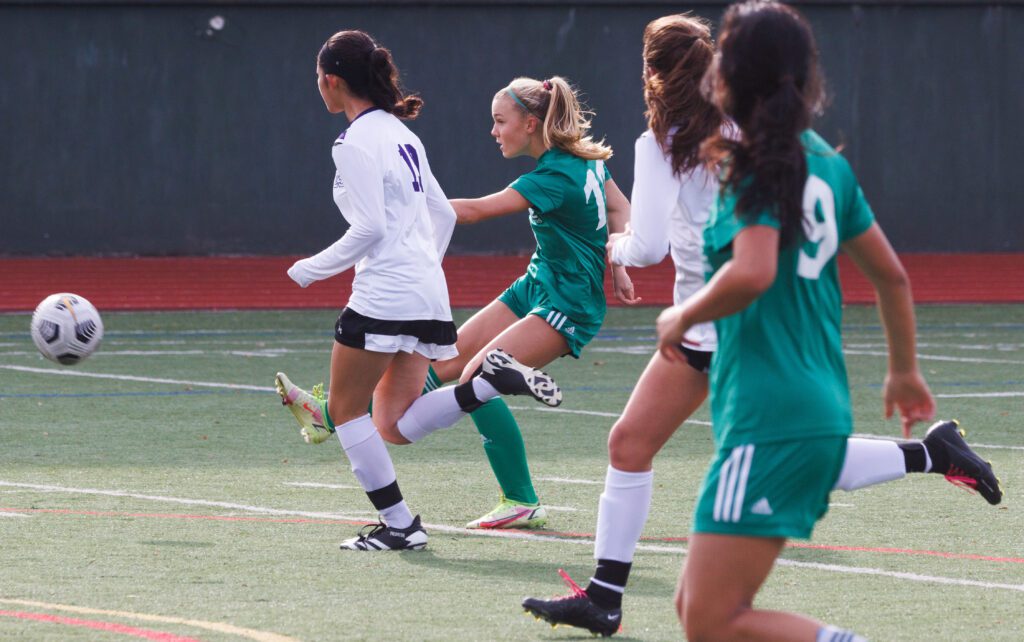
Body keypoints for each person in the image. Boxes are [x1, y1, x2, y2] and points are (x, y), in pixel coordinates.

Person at [521, 10, 1002, 637]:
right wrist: (904, 368)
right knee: (642, 445)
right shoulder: (793, 148)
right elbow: (885, 275)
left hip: (725, 330)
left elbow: (679, 254)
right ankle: (606, 595)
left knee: (720, 585)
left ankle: (923, 460)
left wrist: (623, 258)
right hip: (773, 338)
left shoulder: (717, 150)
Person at [273, 30, 561, 552]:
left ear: (332, 82)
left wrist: (310, 269)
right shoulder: (402, 133)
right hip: (426, 291)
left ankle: (401, 525)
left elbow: (369, 230)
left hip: (385, 292)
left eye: (319, 79)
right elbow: (442, 213)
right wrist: (424, 266)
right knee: (395, 423)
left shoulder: (355, 140)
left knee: (346, 409)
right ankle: (484, 384)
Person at [432, 75, 638, 529]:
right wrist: (618, 259)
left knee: (475, 377)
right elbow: (621, 209)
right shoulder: (583, 161)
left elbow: (474, 212)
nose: (493, 131)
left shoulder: (552, 175)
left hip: (568, 301)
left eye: (498, 121)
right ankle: (341, 416)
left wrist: (407, 200)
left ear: (529, 123)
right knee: (444, 360)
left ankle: (521, 500)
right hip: (537, 283)